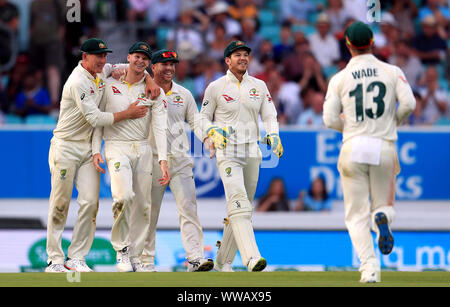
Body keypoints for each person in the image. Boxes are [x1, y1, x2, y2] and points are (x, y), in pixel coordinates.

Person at [45, 38, 160, 273]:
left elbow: (132, 66)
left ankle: (76, 256)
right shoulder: (78, 81)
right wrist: (127, 113)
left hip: (89, 149)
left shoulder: (102, 70)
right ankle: (54, 259)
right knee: (60, 203)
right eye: (98, 57)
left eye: (105, 56)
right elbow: (96, 119)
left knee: (90, 203)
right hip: (66, 146)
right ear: (84, 57)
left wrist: (149, 77)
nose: (104, 61)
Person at [323, 22, 416, 283]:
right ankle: (382, 216)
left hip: (353, 145)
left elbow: (329, 120)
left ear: (348, 45)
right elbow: (409, 103)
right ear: (373, 42)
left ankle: (370, 268)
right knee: (383, 205)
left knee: (355, 215)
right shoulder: (391, 70)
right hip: (383, 144)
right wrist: (392, 122)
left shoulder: (339, 78)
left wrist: (350, 128)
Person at [198, 40, 283, 272]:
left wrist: (273, 135)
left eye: (245, 54)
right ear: (227, 60)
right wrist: (211, 132)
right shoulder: (216, 87)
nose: (243, 58)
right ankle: (251, 258)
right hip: (228, 151)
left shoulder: (259, 85)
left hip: (253, 150)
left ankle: (223, 261)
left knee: (242, 208)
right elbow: (202, 117)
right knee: (239, 201)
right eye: (237, 55)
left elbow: (270, 115)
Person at [91, 42, 170, 272]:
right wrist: (97, 150)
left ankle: (136, 254)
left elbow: (159, 127)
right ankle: (122, 249)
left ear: (149, 63)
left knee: (144, 206)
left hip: (143, 149)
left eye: (145, 58)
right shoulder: (109, 82)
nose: (141, 61)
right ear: (129, 57)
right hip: (116, 146)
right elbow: (99, 119)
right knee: (123, 197)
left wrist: (163, 160)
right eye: (137, 56)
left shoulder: (154, 91)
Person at [140, 49, 214, 272]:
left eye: (173, 64)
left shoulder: (184, 94)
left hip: (180, 160)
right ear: (153, 67)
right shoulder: (143, 92)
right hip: (152, 161)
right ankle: (145, 261)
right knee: (149, 212)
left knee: (188, 208)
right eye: (165, 64)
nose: (170, 68)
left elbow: (196, 121)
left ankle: (194, 258)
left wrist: (208, 139)